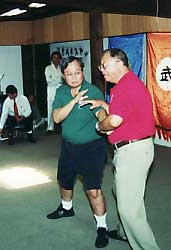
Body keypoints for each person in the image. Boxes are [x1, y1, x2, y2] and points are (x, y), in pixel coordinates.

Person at [86, 48, 161, 250]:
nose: (102, 70)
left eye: (105, 65)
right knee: (120, 192)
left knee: (129, 211)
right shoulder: (126, 84)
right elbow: (124, 112)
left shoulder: (124, 87)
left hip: (133, 152)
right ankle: (123, 232)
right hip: (135, 149)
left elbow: (114, 121)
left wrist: (100, 124)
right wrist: (103, 105)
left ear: (119, 63)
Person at [46, 56, 109, 248]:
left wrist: (102, 121)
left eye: (77, 72)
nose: (74, 77)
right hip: (68, 147)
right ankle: (67, 208)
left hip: (92, 148)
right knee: (65, 181)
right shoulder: (61, 92)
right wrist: (74, 101)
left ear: (82, 71)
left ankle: (102, 227)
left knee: (93, 190)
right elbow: (56, 118)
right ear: (63, 76)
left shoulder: (92, 90)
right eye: (69, 74)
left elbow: (100, 112)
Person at [45, 51, 63, 134]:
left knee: (60, 108)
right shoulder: (48, 68)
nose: (56, 59)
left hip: (60, 91)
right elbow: (49, 81)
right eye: (54, 57)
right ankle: (50, 127)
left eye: (58, 58)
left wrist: (58, 81)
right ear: (52, 59)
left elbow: (64, 79)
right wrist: (59, 80)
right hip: (51, 91)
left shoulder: (61, 68)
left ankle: (60, 127)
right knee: (50, 109)